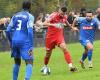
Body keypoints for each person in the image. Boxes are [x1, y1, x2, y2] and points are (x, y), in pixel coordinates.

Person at [36, 7, 77, 75]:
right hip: (50, 37)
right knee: (48, 54)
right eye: (61, 13)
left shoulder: (64, 16)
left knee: (64, 48)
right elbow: (44, 23)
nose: (62, 15)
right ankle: (45, 66)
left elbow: (66, 22)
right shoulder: (53, 15)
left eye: (63, 14)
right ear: (59, 11)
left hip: (59, 36)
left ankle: (71, 66)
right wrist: (54, 24)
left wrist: (72, 27)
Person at [6, 1, 34, 80]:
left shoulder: (15, 15)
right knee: (30, 62)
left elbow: (8, 30)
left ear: (22, 7)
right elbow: (30, 32)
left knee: (17, 62)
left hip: (14, 41)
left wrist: (11, 42)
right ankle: (27, 79)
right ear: (30, 7)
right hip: (25, 41)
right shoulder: (30, 16)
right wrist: (31, 45)